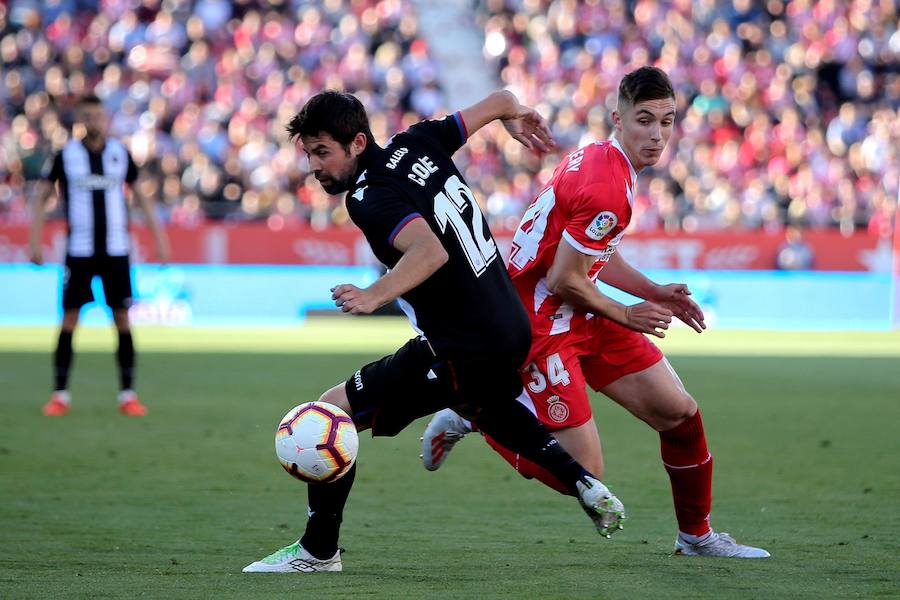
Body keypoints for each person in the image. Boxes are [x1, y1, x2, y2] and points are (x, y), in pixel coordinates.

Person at [243, 90, 625, 573]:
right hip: (509, 326)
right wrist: (513, 115)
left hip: (461, 343)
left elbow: (429, 252)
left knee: (328, 413)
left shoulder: (367, 196)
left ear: (357, 142)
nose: (313, 166)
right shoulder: (418, 141)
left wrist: (373, 295)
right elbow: (500, 99)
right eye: (308, 154)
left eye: (322, 152)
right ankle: (583, 482)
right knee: (481, 401)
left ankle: (318, 553)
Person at [421, 67, 770, 558]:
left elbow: (589, 255)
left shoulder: (603, 158)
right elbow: (565, 278)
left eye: (667, 122)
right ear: (618, 119)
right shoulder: (609, 186)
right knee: (583, 473)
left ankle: (697, 537)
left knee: (680, 415)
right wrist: (630, 313)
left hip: (579, 310)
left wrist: (651, 290)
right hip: (539, 323)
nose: (657, 134)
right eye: (645, 120)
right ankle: (475, 413)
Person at [29, 94, 170, 417]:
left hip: (116, 251)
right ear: (79, 119)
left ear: (105, 118)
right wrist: (34, 241)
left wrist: (160, 240)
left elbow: (142, 198)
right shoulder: (66, 155)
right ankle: (60, 395)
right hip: (79, 251)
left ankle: (128, 395)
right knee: (69, 319)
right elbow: (40, 199)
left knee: (122, 319)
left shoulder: (120, 154)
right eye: (87, 115)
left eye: (97, 115)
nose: (93, 120)